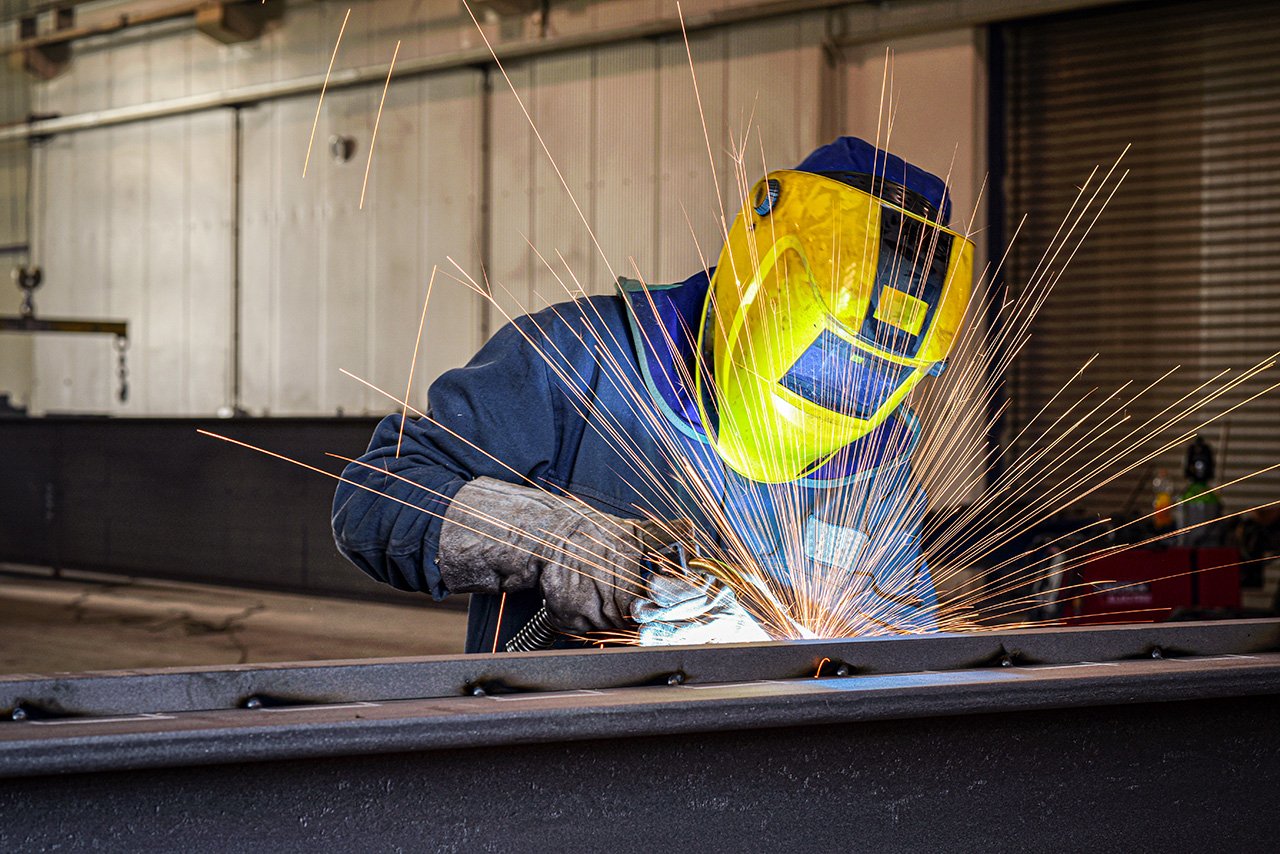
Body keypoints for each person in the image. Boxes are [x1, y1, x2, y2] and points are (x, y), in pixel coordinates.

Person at [332, 136, 974, 652]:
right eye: (825, 353)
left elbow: (897, 631)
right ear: (763, 291)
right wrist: (548, 539)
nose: (842, 392)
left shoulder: (882, 449)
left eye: (873, 376)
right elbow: (372, 500)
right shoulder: (585, 356)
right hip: (556, 768)